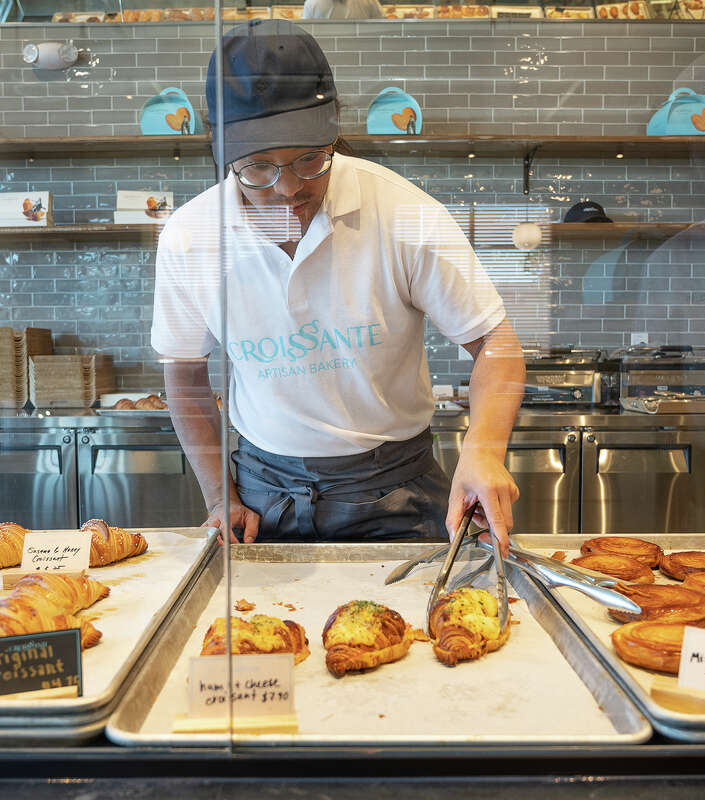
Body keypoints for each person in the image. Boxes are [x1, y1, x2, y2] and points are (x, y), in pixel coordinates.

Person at [150, 20, 526, 555]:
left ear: (334, 130)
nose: (287, 189)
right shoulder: (191, 238)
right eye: (257, 167)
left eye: (310, 159)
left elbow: (498, 345)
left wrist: (484, 448)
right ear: (224, 155)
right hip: (263, 497)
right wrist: (219, 496)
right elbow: (186, 378)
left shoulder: (403, 213)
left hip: (398, 490)